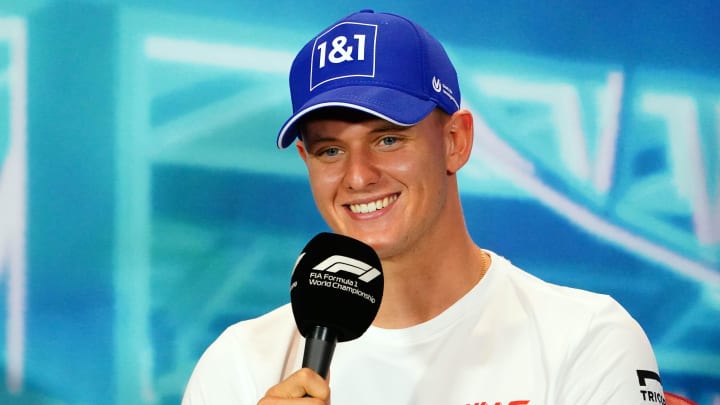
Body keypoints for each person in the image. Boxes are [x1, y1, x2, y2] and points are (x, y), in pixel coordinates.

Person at [182, 10, 665, 405]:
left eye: (388, 139)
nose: (358, 175)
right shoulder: (239, 366)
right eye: (331, 150)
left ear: (456, 141)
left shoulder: (584, 339)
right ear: (307, 161)